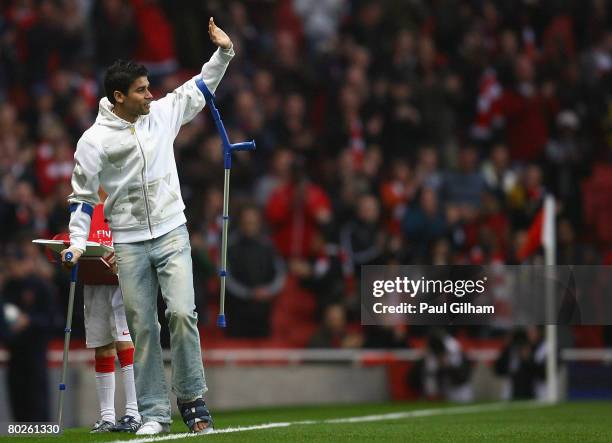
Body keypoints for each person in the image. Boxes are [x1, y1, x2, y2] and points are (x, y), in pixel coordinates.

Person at [60, 18, 234, 435]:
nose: (150, 95)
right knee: (142, 327)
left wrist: (224, 52)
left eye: (148, 87)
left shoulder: (162, 114)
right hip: (130, 240)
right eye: (141, 90)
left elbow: (201, 86)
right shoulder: (94, 141)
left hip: (173, 231)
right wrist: (79, 242)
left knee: (182, 313)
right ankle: (155, 413)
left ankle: (193, 403)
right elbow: (82, 199)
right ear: (118, 96)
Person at [54, 198, 139, 433]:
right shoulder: (85, 207)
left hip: (123, 284)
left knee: (125, 342)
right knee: (102, 346)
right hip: (93, 284)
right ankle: (107, 417)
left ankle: (134, 412)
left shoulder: (127, 202)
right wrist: (65, 251)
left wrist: (125, 259)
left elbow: (140, 241)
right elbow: (67, 237)